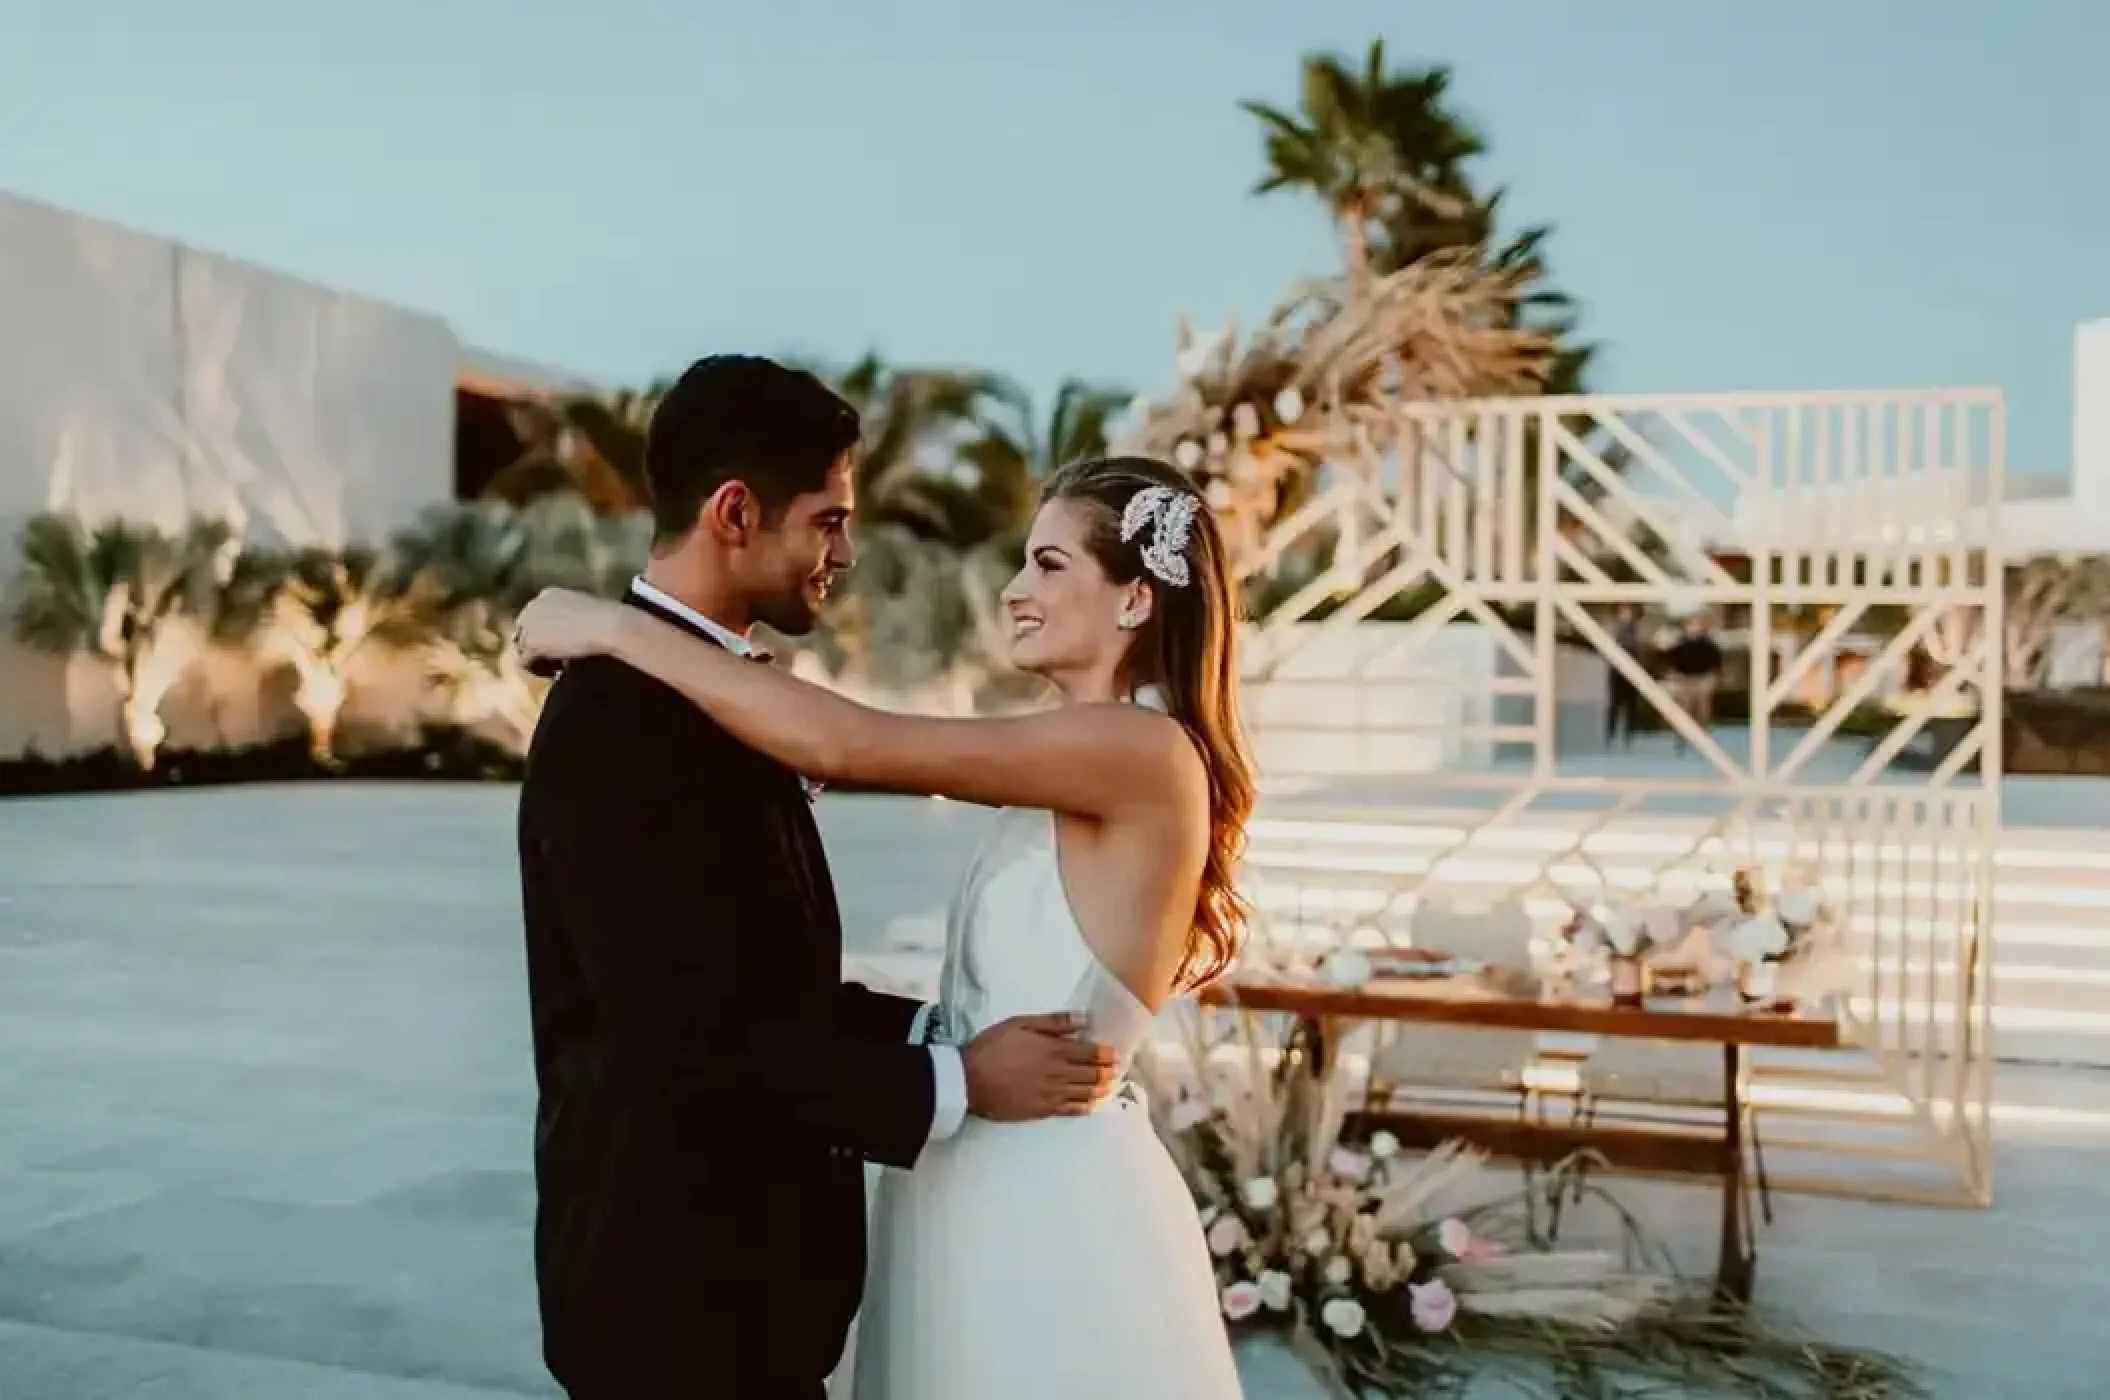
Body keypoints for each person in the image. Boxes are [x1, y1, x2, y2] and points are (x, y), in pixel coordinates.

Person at [515, 451, 1254, 1400]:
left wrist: (616, 628)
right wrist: (937, 1050)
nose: (1016, 590)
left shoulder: (1136, 748)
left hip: (1047, 1188)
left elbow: (851, 742)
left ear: (1136, 601)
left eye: (1050, 565)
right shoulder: (1078, 747)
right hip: (977, 1155)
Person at [1606, 604, 1644, 748]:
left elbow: (1636, 648)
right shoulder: (1615, 628)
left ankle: (1629, 734)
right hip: (1617, 669)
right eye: (1624, 612)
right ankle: (1611, 733)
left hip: (1631, 669)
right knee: (1615, 703)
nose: (1626, 614)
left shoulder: (1636, 628)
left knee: (1630, 704)